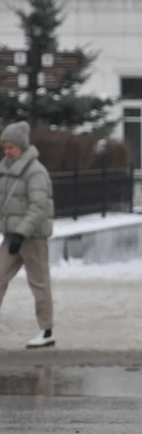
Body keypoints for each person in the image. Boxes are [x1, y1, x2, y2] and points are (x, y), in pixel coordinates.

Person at [0, 122, 55, 349]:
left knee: (39, 283)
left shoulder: (36, 172)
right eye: (4, 147)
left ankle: (46, 330)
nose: (7, 151)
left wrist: (21, 234)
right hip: (11, 237)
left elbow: (38, 207)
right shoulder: (5, 169)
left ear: (22, 147)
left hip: (32, 238)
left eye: (11, 147)